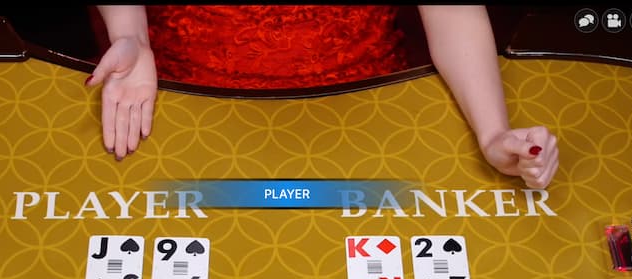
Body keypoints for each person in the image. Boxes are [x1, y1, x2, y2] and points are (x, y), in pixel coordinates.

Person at [85, 5, 559, 189]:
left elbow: (452, 14)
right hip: (185, 97)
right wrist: (131, 36)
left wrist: (493, 132)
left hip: (365, 101)